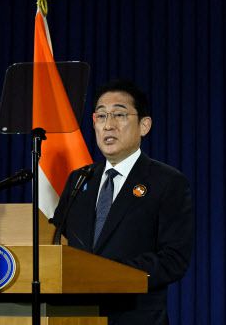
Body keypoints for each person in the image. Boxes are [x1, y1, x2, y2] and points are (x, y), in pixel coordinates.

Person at [52, 79, 194, 325]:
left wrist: (107, 272)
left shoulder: (167, 182)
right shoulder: (80, 179)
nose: (108, 125)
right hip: (75, 316)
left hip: (134, 317)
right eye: (101, 116)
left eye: (119, 114)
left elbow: (173, 260)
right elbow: (56, 240)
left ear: (144, 125)